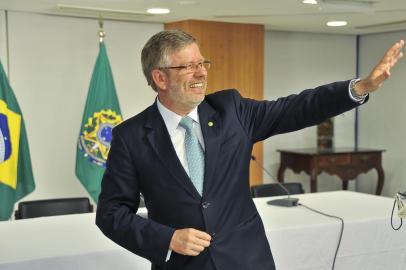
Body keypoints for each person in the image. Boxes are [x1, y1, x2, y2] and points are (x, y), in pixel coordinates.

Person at [96, 29, 403, 270]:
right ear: (160, 77)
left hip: (247, 261)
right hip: (183, 265)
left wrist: (359, 88)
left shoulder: (232, 111)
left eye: (203, 63)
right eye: (189, 66)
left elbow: (296, 108)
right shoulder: (131, 137)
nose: (202, 73)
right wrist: (167, 238)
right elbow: (111, 213)